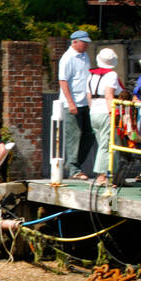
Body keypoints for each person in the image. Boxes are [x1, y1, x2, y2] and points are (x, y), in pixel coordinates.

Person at [58, 30, 94, 179]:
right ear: (74, 42)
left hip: (85, 101)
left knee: (90, 134)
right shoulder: (67, 58)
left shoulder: (85, 56)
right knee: (74, 135)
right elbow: (63, 81)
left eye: (86, 42)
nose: (86, 45)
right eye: (83, 42)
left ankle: (76, 164)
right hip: (72, 103)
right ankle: (74, 168)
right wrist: (71, 103)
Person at [87, 48, 124, 186]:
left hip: (94, 112)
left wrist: (92, 110)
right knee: (107, 144)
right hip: (106, 111)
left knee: (102, 143)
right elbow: (109, 95)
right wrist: (113, 114)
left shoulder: (91, 75)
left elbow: (89, 96)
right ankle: (102, 176)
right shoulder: (111, 75)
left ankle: (111, 175)